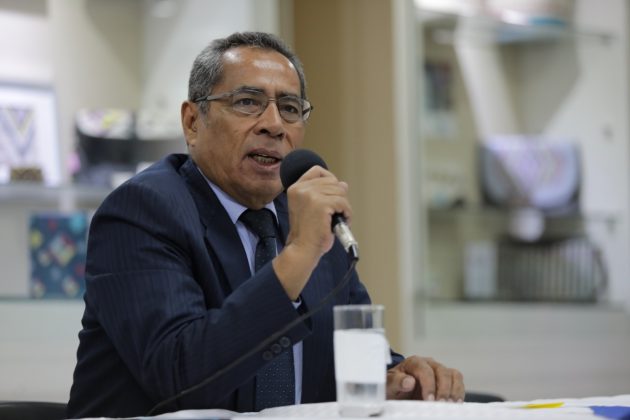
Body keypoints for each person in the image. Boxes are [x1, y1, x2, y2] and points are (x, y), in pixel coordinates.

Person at [67, 31, 464, 418]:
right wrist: (299, 254)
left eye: (290, 108)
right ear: (192, 122)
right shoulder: (142, 211)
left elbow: (353, 357)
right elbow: (177, 375)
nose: (274, 125)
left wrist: (396, 378)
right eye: (247, 102)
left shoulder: (309, 217)